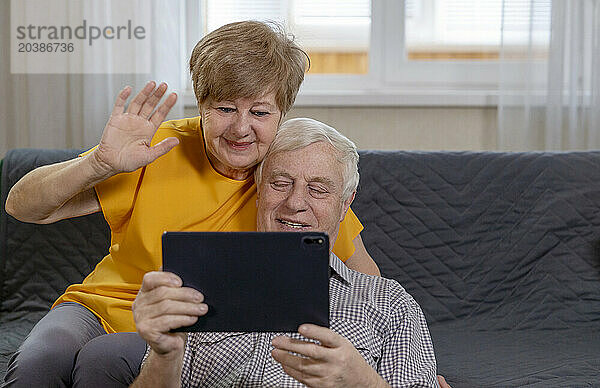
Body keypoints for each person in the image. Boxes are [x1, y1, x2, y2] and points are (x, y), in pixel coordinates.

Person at [2, 22, 379, 387]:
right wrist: (98, 163)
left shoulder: (293, 181)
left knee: (104, 361)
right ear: (201, 104)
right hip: (98, 309)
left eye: (260, 112)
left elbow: (370, 286)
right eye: (225, 109)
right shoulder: (157, 148)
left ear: (283, 112)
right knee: (39, 365)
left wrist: (395, 372)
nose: (241, 129)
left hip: (188, 334)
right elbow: (21, 207)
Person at [130, 118, 439, 387]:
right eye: (280, 183)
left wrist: (363, 383)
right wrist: (164, 356)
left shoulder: (389, 303)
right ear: (258, 189)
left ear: (345, 204)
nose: (295, 203)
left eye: (317, 189)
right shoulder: (195, 290)